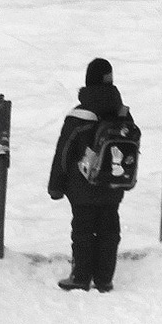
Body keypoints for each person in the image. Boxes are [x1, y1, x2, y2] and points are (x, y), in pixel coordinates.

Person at [48, 58, 135, 293]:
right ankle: (104, 279)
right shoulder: (122, 114)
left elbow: (64, 152)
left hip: (82, 187)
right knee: (109, 230)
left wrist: (56, 186)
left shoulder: (79, 116)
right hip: (112, 184)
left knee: (83, 231)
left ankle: (81, 276)